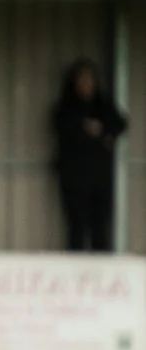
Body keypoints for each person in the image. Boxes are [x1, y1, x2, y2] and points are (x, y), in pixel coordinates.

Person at [52, 60, 128, 252]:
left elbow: (120, 124)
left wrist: (102, 131)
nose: (86, 85)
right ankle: (75, 264)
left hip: (100, 175)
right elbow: (61, 126)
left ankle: (102, 264)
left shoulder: (102, 105)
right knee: (77, 225)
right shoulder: (67, 106)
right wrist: (84, 128)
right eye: (82, 80)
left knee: (100, 225)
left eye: (89, 80)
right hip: (74, 176)